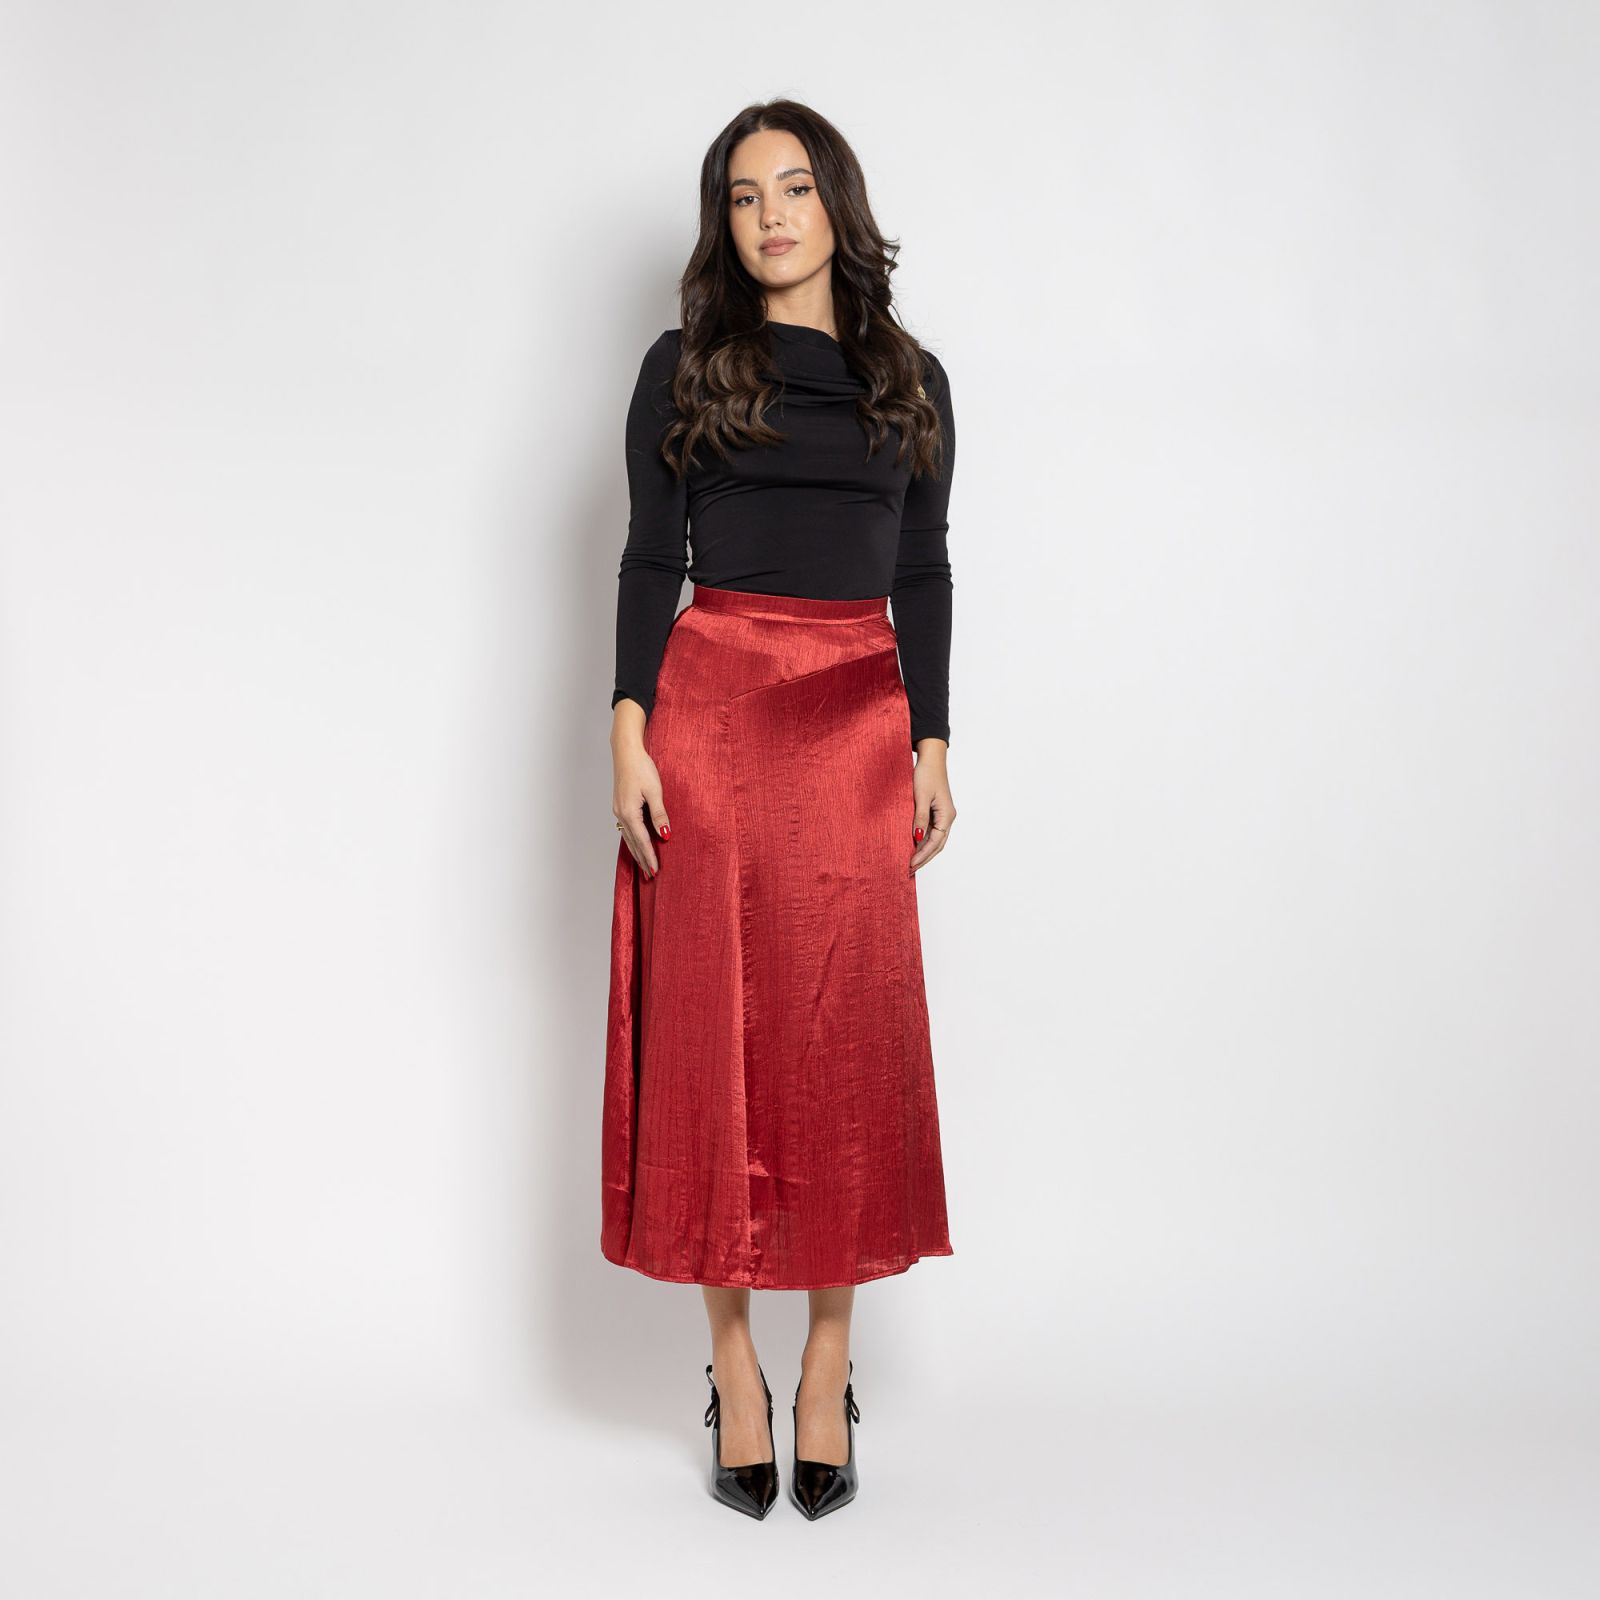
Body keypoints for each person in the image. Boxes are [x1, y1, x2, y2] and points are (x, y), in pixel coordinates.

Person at [600, 98, 958, 1521]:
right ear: (724, 223)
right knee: (717, 1037)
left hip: (858, 718)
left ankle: (827, 1363)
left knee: (840, 1039)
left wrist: (932, 736)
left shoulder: (911, 378)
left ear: (835, 204)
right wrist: (627, 729)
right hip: (714, 713)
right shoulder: (682, 367)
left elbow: (923, 568)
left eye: (794, 188)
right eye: (744, 197)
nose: (772, 218)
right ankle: (734, 1366)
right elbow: (648, 558)